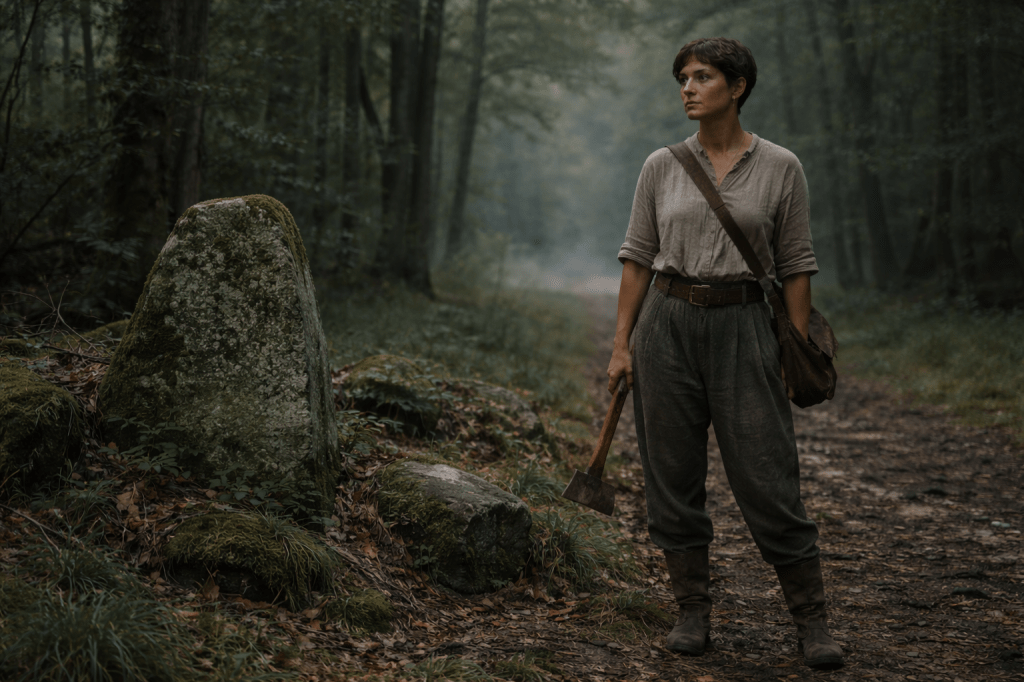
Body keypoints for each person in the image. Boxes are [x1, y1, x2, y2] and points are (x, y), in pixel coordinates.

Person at [606, 37, 844, 670]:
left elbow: (795, 266)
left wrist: (792, 345)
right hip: (667, 323)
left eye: (702, 76)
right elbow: (635, 256)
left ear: (737, 87)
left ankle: (811, 620)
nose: (687, 87)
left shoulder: (781, 166)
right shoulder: (661, 164)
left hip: (745, 326)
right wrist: (621, 345)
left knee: (769, 473)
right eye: (682, 77)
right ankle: (692, 611)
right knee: (672, 474)